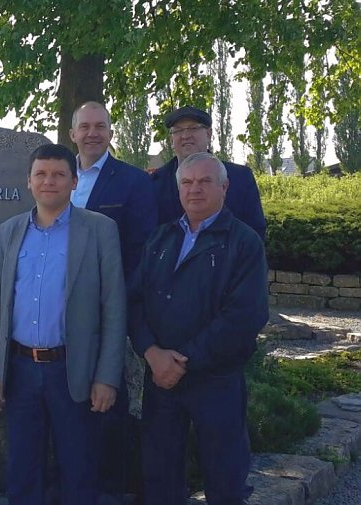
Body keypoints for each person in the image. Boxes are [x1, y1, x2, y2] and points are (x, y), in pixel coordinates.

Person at [0, 143, 126, 504]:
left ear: (74, 181)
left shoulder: (100, 230)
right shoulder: (10, 231)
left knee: (78, 471)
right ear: (28, 181)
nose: (49, 181)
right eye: (41, 174)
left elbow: (114, 308)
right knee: (23, 472)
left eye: (59, 174)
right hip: (19, 370)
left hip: (72, 370)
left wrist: (107, 377)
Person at [129, 152, 269, 504]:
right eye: (187, 183)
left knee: (224, 480)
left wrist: (182, 360)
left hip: (216, 381)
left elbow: (245, 316)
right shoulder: (160, 239)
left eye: (205, 182)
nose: (195, 189)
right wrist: (151, 352)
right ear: (178, 191)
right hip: (160, 380)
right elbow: (135, 302)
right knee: (160, 477)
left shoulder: (244, 242)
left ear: (224, 187)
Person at [0, 101, 157, 279]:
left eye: (100, 126)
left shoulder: (135, 182)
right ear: (73, 134)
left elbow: (141, 250)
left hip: (97, 293)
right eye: (84, 127)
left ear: (111, 133)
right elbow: (38, 217)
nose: (92, 133)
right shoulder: (55, 176)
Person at [151, 105, 266, 239]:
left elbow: (256, 231)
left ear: (208, 134)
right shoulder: (154, 182)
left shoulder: (240, 177)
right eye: (178, 130)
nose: (185, 135)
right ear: (171, 140)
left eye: (193, 128)